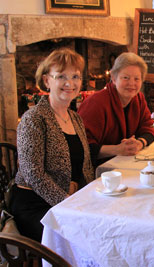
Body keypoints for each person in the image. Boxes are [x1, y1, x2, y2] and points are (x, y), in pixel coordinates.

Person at [10, 48, 95, 242]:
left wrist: (89, 198)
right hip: (35, 205)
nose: (70, 83)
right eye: (61, 76)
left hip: (67, 201)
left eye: (75, 76)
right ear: (47, 81)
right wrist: (66, 202)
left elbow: (85, 165)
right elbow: (33, 174)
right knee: (79, 239)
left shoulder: (75, 118)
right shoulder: (33, 119)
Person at [78, 52, 154, 165]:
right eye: (126, 78)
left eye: (137, 79)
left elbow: (149, 128)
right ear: (113, 78)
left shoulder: (138, 99)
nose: (132, 83)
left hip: (125, 163)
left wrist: (140, 143)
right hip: (98, 170)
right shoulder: (96, 103)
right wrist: (117, 149)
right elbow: (82, 147)